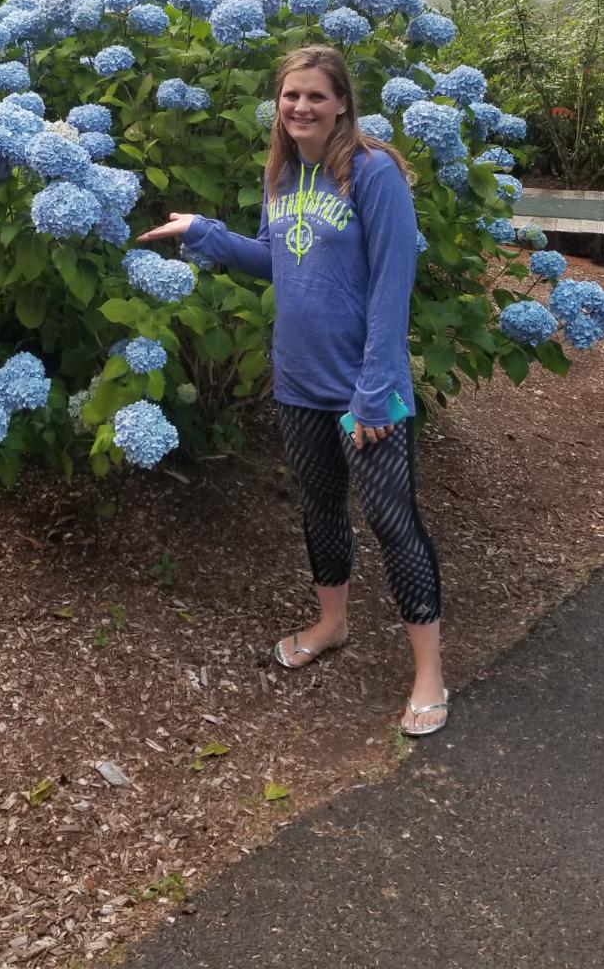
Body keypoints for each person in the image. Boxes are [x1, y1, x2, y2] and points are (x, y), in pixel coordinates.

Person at [138, 44, 448, 738]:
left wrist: (372, 392)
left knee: (394, 522)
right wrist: (204, 234)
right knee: (320, 508)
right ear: (278, 105)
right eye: (290, 96)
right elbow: (273, 262)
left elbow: (393, 289)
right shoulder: (283, 176)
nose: (301, 107)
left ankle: (428, 670)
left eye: (315, 96)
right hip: (300, 382)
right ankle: (332, 623)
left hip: (368, 391)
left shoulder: (374, 174)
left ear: (342, 103)